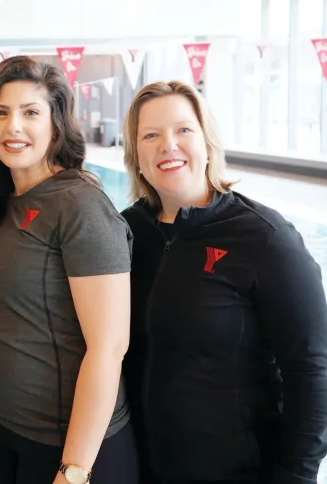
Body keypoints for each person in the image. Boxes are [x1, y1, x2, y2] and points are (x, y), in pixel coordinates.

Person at [120, 80, 327, 484]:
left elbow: (312, 370)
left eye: (183, 129)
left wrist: (296, 476)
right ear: (136, 154)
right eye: (151, 134)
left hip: (238, 470)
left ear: (207, 141)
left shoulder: (264, 238)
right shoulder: (126, 233)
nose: (169, 144)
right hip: (141, 468)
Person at [0, 56, 139, 484]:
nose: (13, 127)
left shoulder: (80, 206)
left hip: (67, 448)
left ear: (56, 126)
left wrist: (74, 470)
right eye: (0, 113)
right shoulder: (1, 202)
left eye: (30, 112)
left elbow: (109, 347)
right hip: (2, 430)